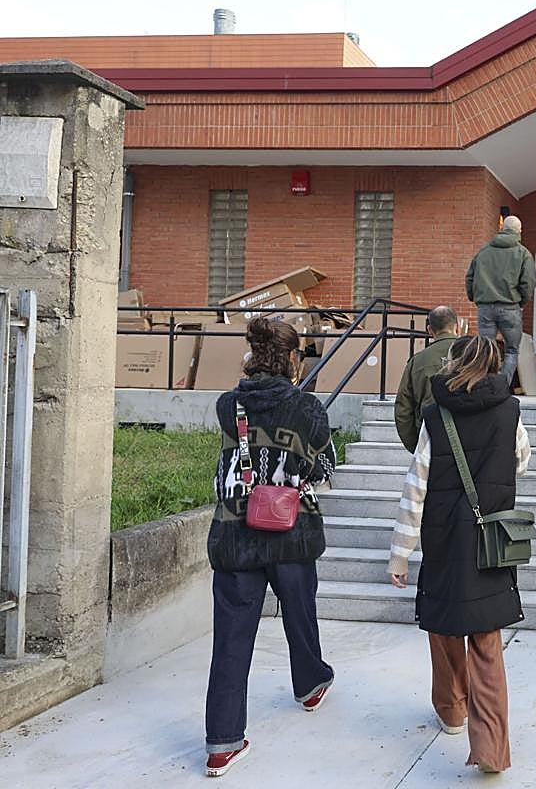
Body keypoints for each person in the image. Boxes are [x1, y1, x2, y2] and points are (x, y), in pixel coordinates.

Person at [388, 335, 531, 774]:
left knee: (444, 624)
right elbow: (522, 460)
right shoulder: (510, 410)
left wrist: (400, 553)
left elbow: (416, 487)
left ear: (454, 365)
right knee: (487, 641)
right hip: (492, 538)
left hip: (445, 537)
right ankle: (491, 750)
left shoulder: (436, 416)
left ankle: (452, 711)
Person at [204, 317, 337, 778]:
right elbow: (324, 468)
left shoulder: (228, 405)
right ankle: (311, 684)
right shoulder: (308, 408)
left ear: (253, 356)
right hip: (291, 533)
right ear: (292, 359)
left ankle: (222, 743)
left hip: (234, 534)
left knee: (230, 640)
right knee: (300, 614)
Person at [465, 214, 535, 384]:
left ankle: (484, 386)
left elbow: (470, 278)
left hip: (485, 307)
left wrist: (475, 297)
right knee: (512, 351)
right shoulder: (523, 254)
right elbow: (528, 283)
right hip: (510, 307)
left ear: (502, 229)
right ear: (519, 231)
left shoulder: (483, 252)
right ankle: (502, 387)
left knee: (485, 351)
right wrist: (521, 302)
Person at [394, 305, 460, 453]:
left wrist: (416, 445)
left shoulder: (417, 361)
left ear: (430, 330)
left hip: (430, 436)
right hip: (472, 433)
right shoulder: (475, 355)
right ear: (457, 327)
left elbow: (403, 409)